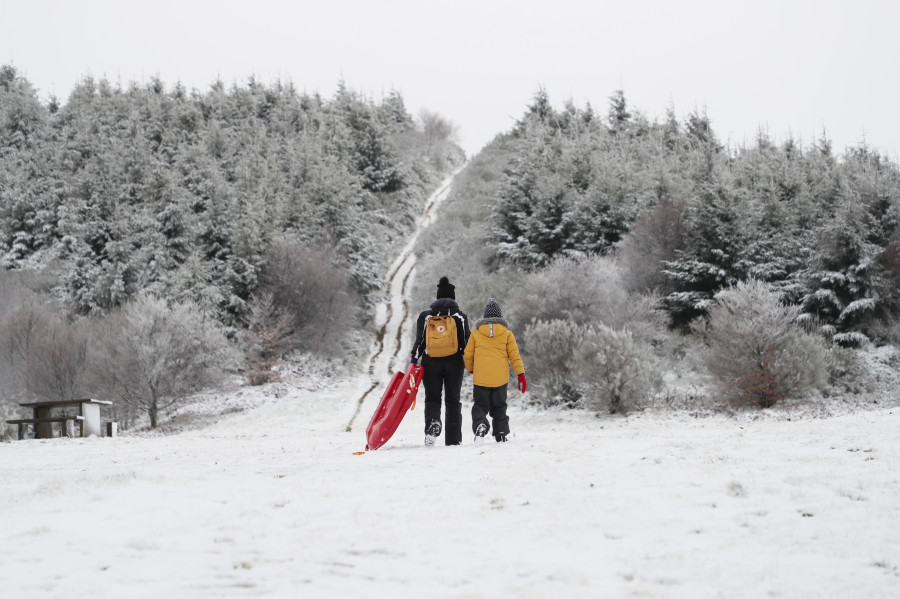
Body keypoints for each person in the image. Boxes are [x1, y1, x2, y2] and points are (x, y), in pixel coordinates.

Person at [410, 276, 470, 446]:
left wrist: (414, 359)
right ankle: (453, 440)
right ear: (453, 297)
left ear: (437, 296)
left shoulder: (426, 316)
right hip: (454, 362)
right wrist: (471, 361)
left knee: (432, 398)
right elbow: (467, 342)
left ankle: (432, 425)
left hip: (431, 362)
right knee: (453, 400)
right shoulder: (460, 316)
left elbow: (420, 342)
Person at [463, 298, 526, 445]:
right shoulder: (507, 334)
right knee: (499, 406)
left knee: (480, 405)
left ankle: (480, 424)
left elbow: (468, 354)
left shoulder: (476, 333)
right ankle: (501, 433)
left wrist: (470, 368)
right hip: (500, 379)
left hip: (481, 378)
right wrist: (520, 374)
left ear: (485, 317)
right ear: (500, 317)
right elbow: (514, 356)